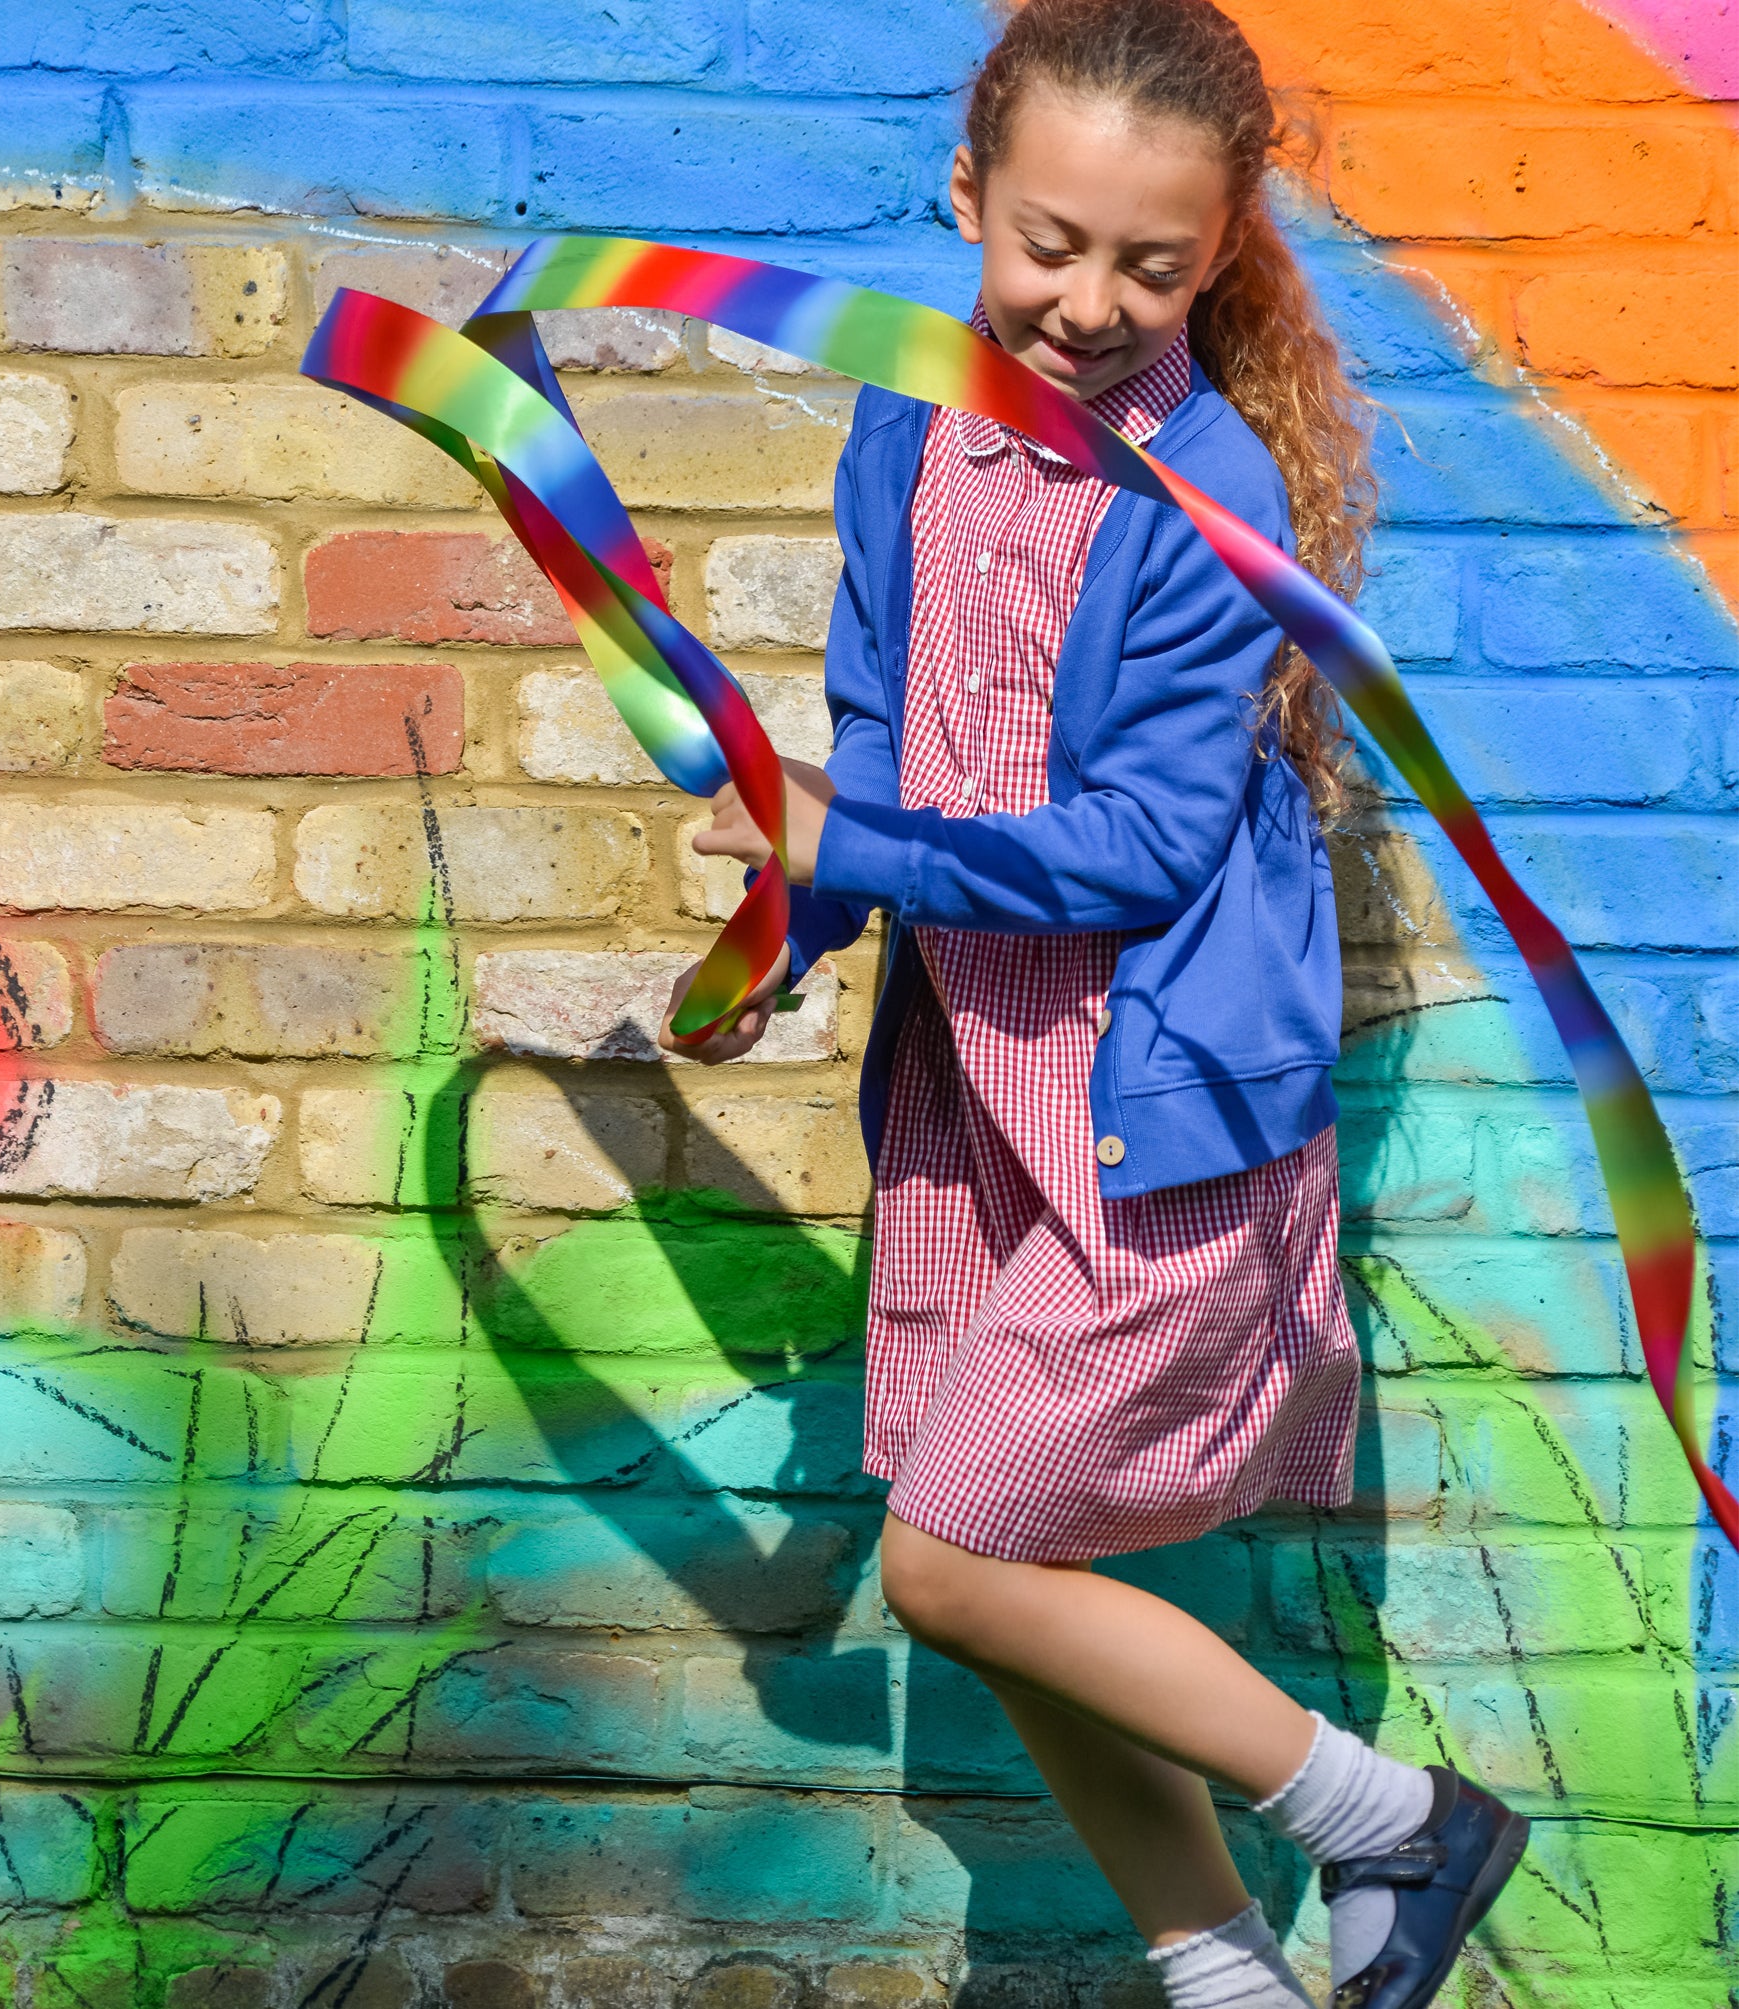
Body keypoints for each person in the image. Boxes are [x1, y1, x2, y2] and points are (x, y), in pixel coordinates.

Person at [660, 2, 1527, 2002]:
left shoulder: (1200, 495)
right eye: (1045, 243)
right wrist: (778, 939)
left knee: (946, 1562)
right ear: (966, 196)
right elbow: (876, 773)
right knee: (1008, 1587)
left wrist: (833, 846)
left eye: (1147, 264)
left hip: (1148, 1126)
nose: (1084, 301)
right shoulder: (903, 425)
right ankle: (1221, 1971)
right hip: (978, 1106)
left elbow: (1135, 848)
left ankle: (1398, 1821)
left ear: (1214, 256)